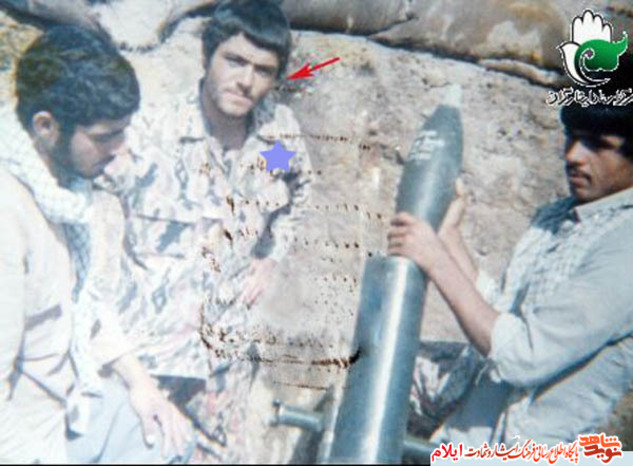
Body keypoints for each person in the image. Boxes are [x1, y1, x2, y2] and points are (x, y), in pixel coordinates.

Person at [98, 0, 312, 461]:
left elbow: (299, 186)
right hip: (150, 361)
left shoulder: (277, 138)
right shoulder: (150, 133)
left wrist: (271, 255)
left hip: (223, 368)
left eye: (263, 70)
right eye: (234, 60)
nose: (246, 80)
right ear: (207, 55)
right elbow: (85, 204)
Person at [389, 60, 633, 447]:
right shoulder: (560, 216)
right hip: (466, 436)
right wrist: (449, 236)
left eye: (597, 144)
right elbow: (502, 313)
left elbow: (523, 355)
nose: (573, 155)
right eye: (571, 137)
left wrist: (435, 259)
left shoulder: (625, 247)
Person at [0, 25, 192, 463]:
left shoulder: (61, 187)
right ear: (46, 126)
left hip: (68, 405)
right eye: (105, 137)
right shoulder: (8, 218)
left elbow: (83, 304)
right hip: (27, 439)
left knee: (170, 436)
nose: (119, 150)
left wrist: (140, 383)